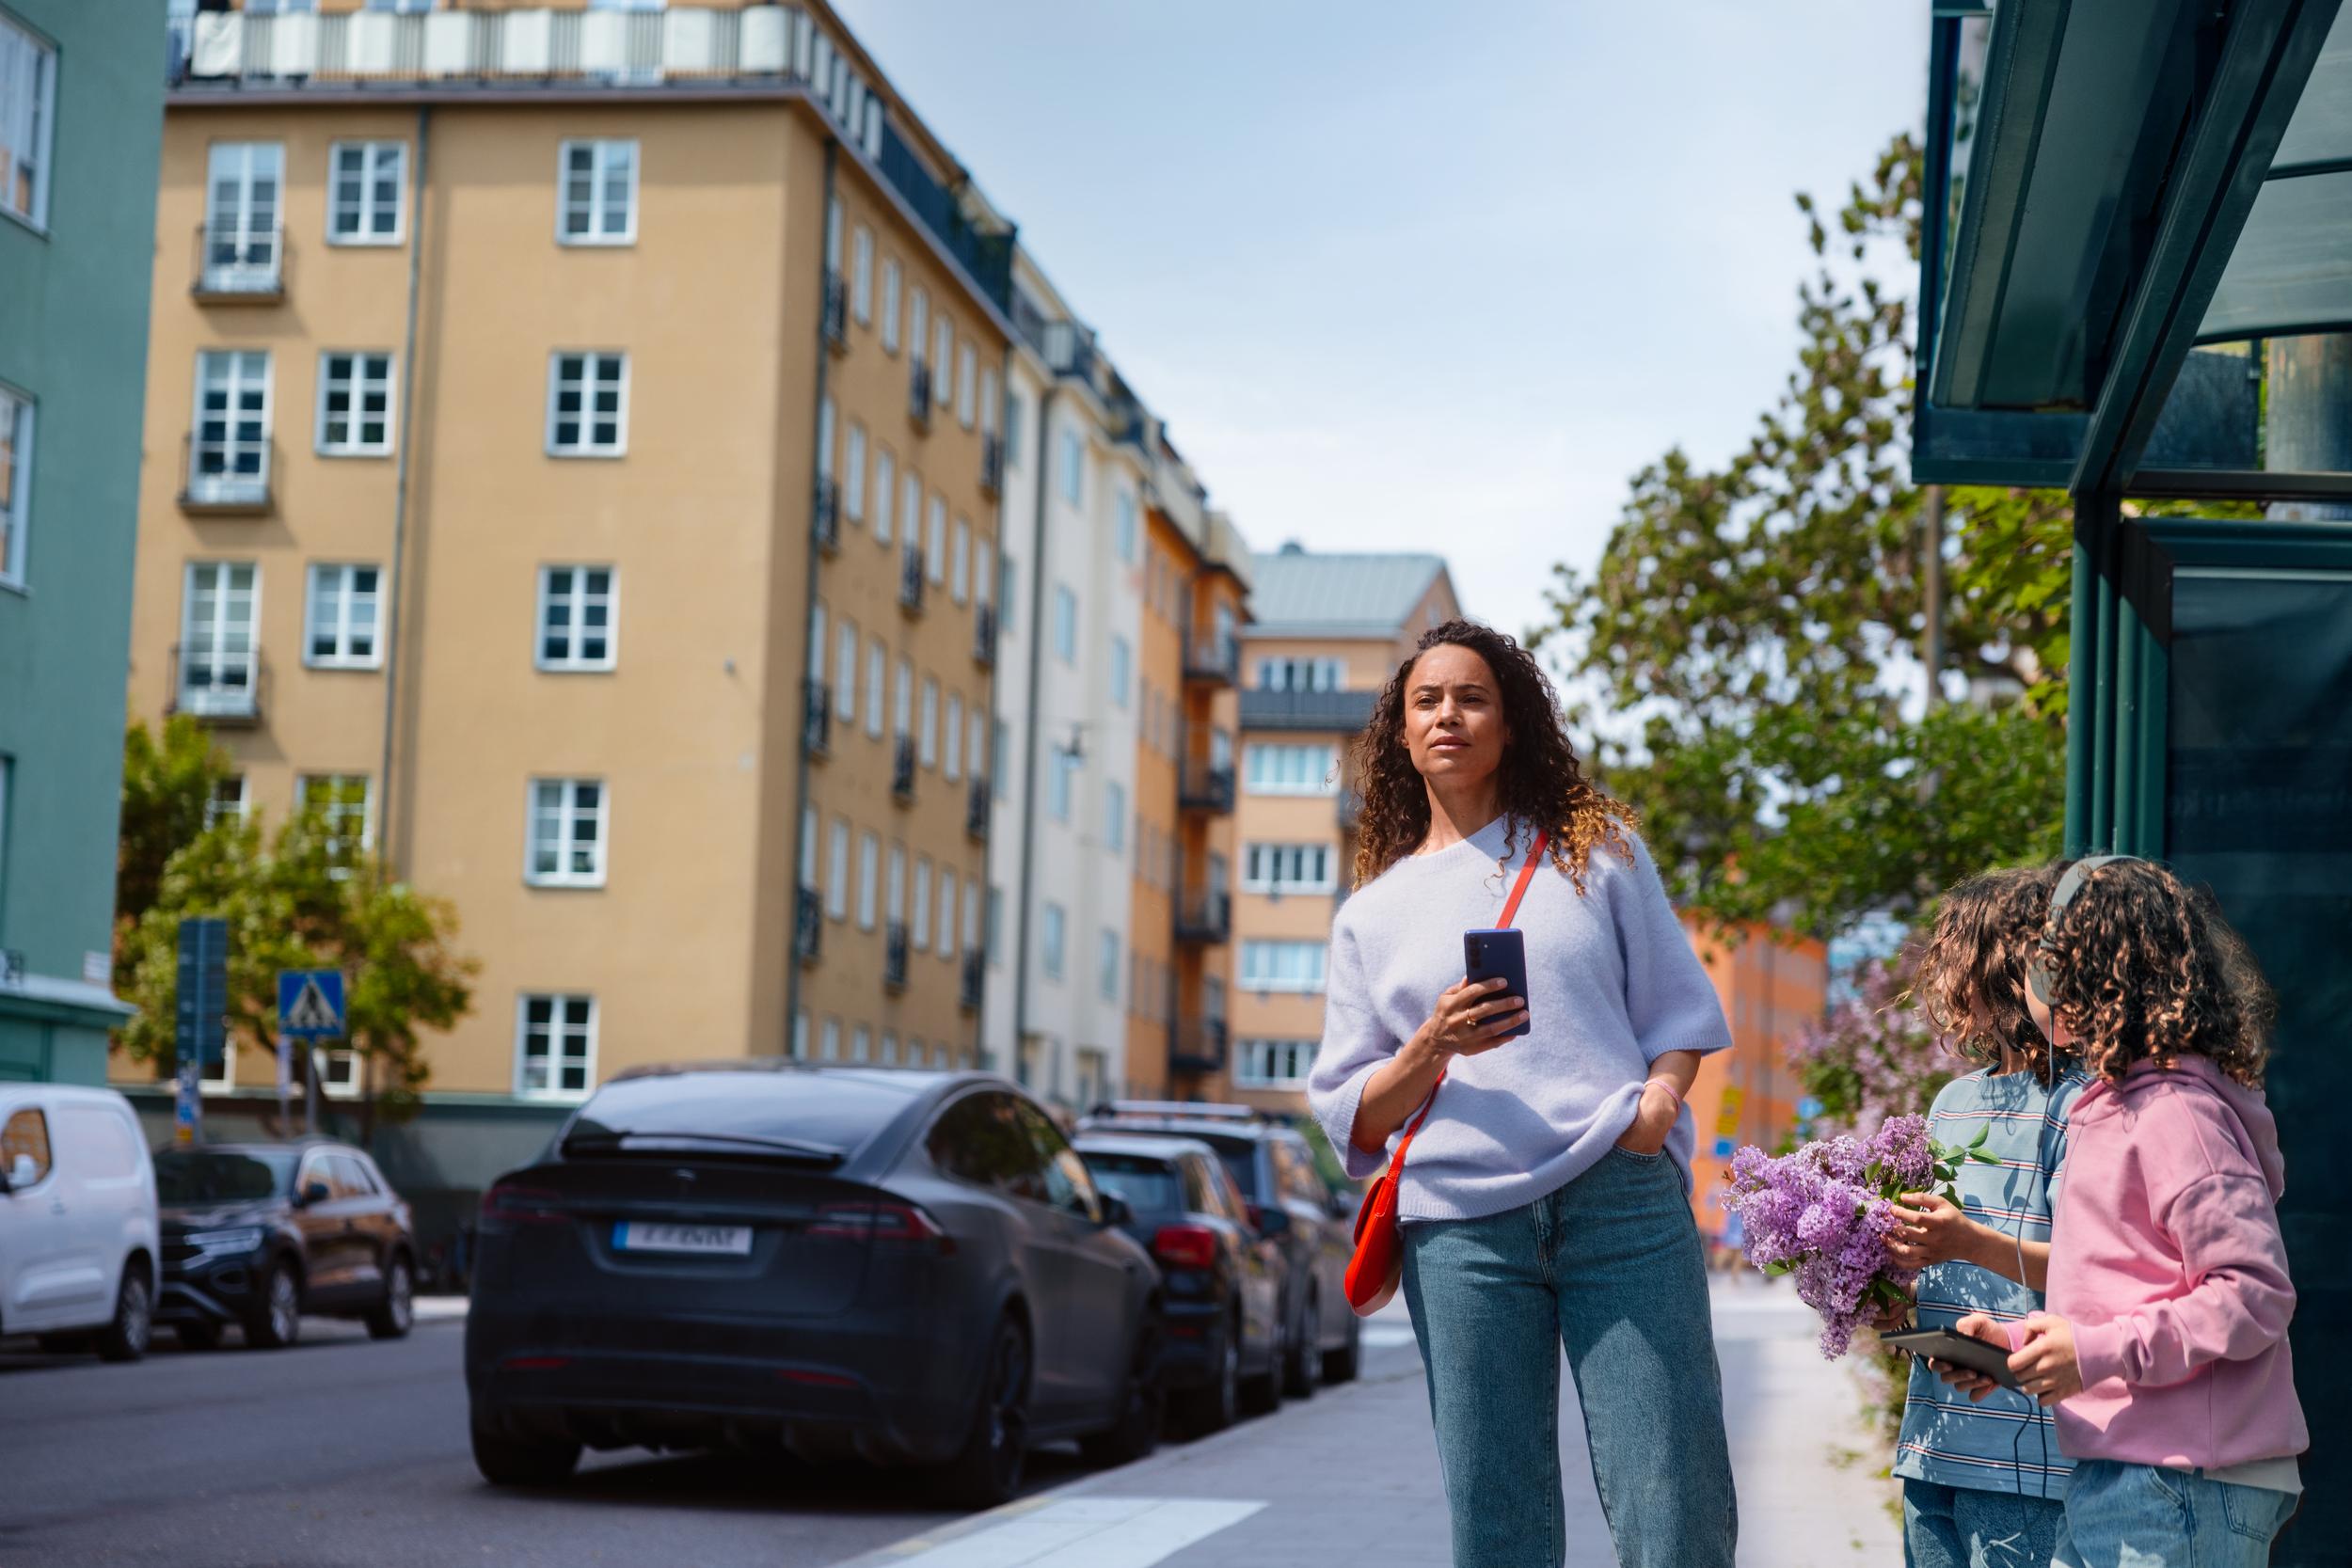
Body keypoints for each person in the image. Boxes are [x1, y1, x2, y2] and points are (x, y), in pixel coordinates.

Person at [1306, 620, 1736, 1568]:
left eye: (1471, 697)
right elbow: (1355, 1108)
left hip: (1617, 1199)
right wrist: (1431, 1044)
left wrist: (1656, 1110)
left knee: (1674, 1492)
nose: (1447, 714)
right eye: (1426, 700)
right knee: (1495, 1512)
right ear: (1401, 734)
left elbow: (1679, 1016)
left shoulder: (1598, 853)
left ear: (1511, 724)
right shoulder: (1371, 915)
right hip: (1458, 1227)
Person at [1940, 858, 2306, 1567]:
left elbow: (2255, 1295)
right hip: (2132, 1472)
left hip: (2184, 1480)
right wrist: (2016, 1347)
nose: (2032, 975)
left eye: (2047, 954)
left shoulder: (2178, 1116)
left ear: (2090, 973)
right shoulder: (2117, 1107)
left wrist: (2094, 1354)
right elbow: (2131, 1289)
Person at [1881, 866, 2086, 1566]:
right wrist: (1888, 1289)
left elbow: (2096, 1275)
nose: (1941, 984)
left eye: (1953, 958)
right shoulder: (1950, 1102)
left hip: (2026, 1458)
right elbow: (1945, 1260)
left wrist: (1965, 1239)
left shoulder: (2080, 1104)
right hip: (1931, 1442)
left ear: (2000, 964)